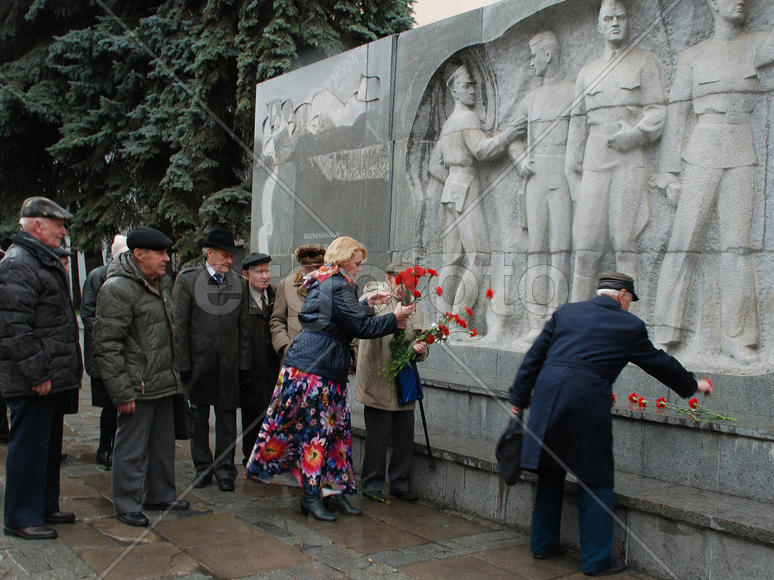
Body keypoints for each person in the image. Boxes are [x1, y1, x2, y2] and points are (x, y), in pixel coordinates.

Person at [509, 272, 713, 576]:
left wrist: (518, 398)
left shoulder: (567, 313)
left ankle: (542, 544)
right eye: (630, 300)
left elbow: (534, 357)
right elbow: (658, 362)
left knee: (550, 471)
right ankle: (596, 560)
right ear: (622, 295)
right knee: (596, 478)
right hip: (586, 403)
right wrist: (693, 385)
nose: (630, 306)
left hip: (547, 400)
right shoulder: (629, 325)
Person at [246, 236, 415, 521]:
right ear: (343, 260)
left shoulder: (328, 280)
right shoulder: (337, 284)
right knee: (317, 435)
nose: (360, 267)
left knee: (335, 435)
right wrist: (394, 317)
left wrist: (366, 302)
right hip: (317, 369)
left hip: (322, 366)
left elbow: (342, 316)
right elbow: (360, 327)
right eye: (357, 262)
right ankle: (311, 497)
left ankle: (333, 493)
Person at [651, 0, 774, 361]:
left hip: (742, 150)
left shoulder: (758, 43)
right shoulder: (693, 56)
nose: (740, 1)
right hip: (702, 149)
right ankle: (666, 331)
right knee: (684, 242)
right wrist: (668, 173)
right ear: (713, 4)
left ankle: (738, 337)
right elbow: (677, 113)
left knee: (738, 248)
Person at [565, 0, 666, 302]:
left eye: (620, 17)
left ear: (628, 22)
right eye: (608, 18)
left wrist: (636, 134)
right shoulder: (587, 72)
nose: (615, 23)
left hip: (628, 161)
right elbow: (577, 126)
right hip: (595, 161)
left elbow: (658, 110)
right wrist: (572, 174)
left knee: (625, 244)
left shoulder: (645, 62)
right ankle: (577, 317)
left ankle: (629, 320)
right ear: (599, 25)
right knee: (586, 248)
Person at [0, 196, 82, 540]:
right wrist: (38, 374)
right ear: (37, 224)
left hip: (51, 377)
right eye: (58, 225)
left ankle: (45, 505)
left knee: (47, 448)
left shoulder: (39, 258)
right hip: (33, 380)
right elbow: (13, 327)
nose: (63, 232)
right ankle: (21, 516)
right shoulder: (19, 263)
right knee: (28, 449)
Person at [95, 227, 188, 527]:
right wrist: (122, 391)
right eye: (160, 253)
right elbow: (107, 345)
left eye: (166, 253)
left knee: (162, 444)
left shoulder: (160, 283)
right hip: (138, 385)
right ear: (138, 254)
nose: (166, 259)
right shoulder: (117, 288)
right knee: (131, 448)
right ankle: (126, 504)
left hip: (162, 380)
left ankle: (159, 495)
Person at [428, 64, 521, 332]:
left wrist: (452, 180)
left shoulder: (448, 123)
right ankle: (457, 324)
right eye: (466, 86)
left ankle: (442, 324)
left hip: (452, 189)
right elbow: (482, 151)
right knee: (478, 258)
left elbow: (434, 166)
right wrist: (509, 135)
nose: (472, 91)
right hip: (466, 186)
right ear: (454, 90)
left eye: (474, 86)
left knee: (452, 260)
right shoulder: (467, 118)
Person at [507, 30, 574, 342]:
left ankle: (559, 318)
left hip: (562, 174)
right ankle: (536, 320)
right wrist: (520, 160)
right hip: (535, 178)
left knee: (561, 248)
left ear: (548, 54)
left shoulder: (573, 91)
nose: (531, 63)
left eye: (534, 56)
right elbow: (512, 137)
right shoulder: (531, 99)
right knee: (537, 249)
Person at [173, 228, 251, 492]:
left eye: (232, 256)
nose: (230, 260)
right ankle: (202, 468)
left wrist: (244, 364)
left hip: (228, 365)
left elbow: (244, 328)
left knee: (227, 419)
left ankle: (225, 469)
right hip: (198, 364)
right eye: (224, 255)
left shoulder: (239, 283)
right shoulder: (188, 281)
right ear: (209, 253)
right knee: (198, 418)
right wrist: (183, 364)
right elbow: (180, 326)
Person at [354, 262, 428, 503]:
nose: (406, 287)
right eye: (402, 282)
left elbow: (422, 338)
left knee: (404, 436)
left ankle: (400, 482)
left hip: (404, 381)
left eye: (411, 283)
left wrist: (420, 349)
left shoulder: (415, 304)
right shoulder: (373, 297)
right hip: (377, 378)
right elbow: (363, 324)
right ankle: (372, 484)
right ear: (388, 278)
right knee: (377, 437)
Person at [81, 235, 129, 471]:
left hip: (123, 353)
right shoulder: (98, 276)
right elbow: (88, 314)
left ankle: (120, 450)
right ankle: (105, 449)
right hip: (103, 355)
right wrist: (109, 334)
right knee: (109, 407)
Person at [240, 252, 280, 465]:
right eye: (259, 272)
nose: (265, 276)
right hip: (251, 367)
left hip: (272, 366)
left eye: (267, 270)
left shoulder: (275, 294)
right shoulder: (240, 298)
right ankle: (250, 458)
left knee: (271, 415)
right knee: (251, 416)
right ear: (246, 275)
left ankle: (268, 459)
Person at [270, 244, 326, 363]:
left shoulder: (331, 285)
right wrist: (285, 346)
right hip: (293, 359)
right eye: (308, 268)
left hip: (323, 358)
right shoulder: (286, 285)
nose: (313, 272)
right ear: (301, 265)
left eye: (317, 267)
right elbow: (277, 320)